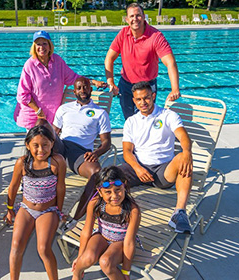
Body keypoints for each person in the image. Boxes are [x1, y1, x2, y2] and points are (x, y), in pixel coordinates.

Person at [120, 81, 193, 233]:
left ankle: (179, 213)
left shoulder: (168, 115)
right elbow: (127, 151)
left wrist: (187, 152)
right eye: (138, 99)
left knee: (183, 159)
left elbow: (183, 136)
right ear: (133, 100)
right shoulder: (131, 122)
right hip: (138, 169)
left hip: (163, 171)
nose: (143, 102)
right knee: (108, 176)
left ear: (153, 96)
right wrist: (138, 168)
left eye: (146, 98)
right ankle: (109, 213)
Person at [4, 125, 66, 280]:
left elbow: (60, 187)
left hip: (48, 210)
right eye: (35, 145)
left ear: (52, 143)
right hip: (26, 209)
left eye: (45, 145)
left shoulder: (57, 162)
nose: (41, 150)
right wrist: (10, 209)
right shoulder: (22, 163)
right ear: (27, 145)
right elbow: (13, 187)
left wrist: (59, 210)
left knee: (44, 249)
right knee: (16, 246)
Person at [45, 77, 111, 222]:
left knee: (97, 173)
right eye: (79, 88)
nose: (82, 90)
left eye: (85, 87)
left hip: (80, 153)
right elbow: (53, 133)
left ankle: (76, 218)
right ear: (74, 91)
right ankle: (32, 181)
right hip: (61, 147)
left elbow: (106, 142)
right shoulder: (64, 108)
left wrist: (96, 153)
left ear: (91, 89)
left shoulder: (100, 113)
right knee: (42, 123)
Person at [14, 30, 106, 130]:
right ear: (34, 47)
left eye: (44, 43)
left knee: (52, 143)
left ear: (50, 45)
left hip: (53, 115)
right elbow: (23, 95)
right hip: (34, 116)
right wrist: (38, 111)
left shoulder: (57, 61)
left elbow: (73, 78)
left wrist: (92, 81)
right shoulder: (29, 65)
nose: (41, 47)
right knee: (35, 144)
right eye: (38, 44)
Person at [105, 2, 181, 120]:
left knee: (145, 120)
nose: (135, 19)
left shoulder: (156, 36)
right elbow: (109, 58)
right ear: (126, 19)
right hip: (126, 85)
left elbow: (170, 62)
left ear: (144, 16)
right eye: (131, 16)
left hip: (147, 87)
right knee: (130, 120)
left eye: (138, 15)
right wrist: (111, 82)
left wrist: (175, 88)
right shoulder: (123, 34)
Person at [72, 166, 140, 280]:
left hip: (121, 242)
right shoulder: (95, 204)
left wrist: (126, 271)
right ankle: (77, 274)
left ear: (124, 186)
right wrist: (80, 257)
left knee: (105, 262)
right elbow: (86, 230)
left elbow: (129, 242)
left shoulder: (132, 210)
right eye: (108, 192)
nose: (114, 196)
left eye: (118, 190)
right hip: (101, 236)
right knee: (87, 258)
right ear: (99, 191)